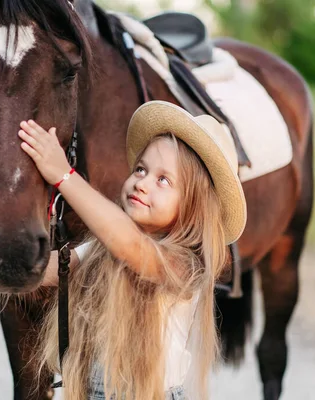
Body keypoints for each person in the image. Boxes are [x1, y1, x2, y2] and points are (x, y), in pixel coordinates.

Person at [18, 100, 246, 400]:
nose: (142, 183)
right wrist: (7, 258)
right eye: (140, 169)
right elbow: (52, 268)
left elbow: (133, 248)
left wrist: (64, 176)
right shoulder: (104, 247)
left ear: (194, 208)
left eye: (163, 180)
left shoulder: (186, 264)